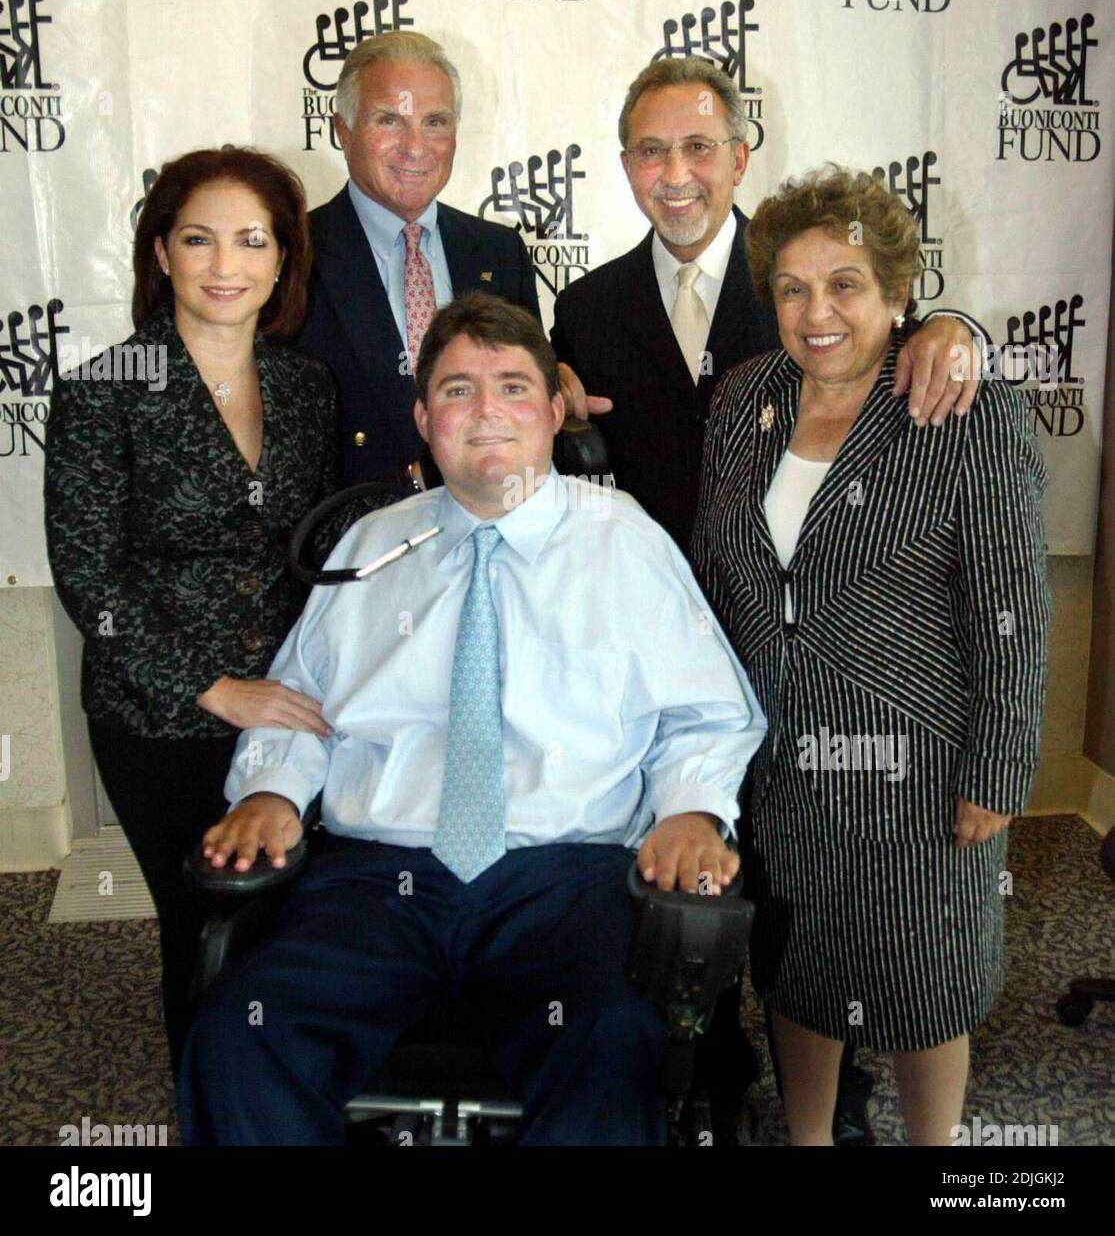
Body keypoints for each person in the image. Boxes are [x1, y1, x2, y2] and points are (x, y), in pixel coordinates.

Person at [176, 293, 766, 1146]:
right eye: (456, 391)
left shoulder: (623, 543)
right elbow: (293, 701)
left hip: (560, 877)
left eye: (513, 387)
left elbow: (707, 715)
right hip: (378, 878)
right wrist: (271, 790)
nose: (485, 411)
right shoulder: (370, 544)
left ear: (555, 410)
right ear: (422, 417)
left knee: (606, 1035)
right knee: (242, 1033)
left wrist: (688, 810)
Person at [691, 166, 1050, 1146]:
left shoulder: (964, 410)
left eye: (844, 284)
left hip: (922, 771)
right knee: (800, 970)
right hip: (778, 763)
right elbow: (716, 579)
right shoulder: (742, 401)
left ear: (897, 293)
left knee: (921, 988)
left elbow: (1012, 610)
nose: (817, 313)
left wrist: (998, 769)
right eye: (794, 288)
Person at [44, 147, 343, 1076]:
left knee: (296, 914)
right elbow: (90, 578)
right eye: (199, 239)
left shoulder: (305, 387)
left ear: (283, 260)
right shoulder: (103, 392)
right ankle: (209, 1100)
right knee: (209, 912)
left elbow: (318, 549)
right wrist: (216, 689)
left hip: (294, 703)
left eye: (252, 241)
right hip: (160, 715)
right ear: (162, 253)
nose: (226, 265)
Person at [551, 57, 982, 551]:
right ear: (627, 167)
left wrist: (955, 327)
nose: (674, 174)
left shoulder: (802, 275)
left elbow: (914, 342)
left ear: (739, 159)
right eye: (652, 151)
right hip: (644, 605)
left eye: (698, 147)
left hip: (788, 606)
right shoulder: (585, 309)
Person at [298, 30, 541, 487]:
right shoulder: (293, 255)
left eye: (435, 122)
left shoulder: (499, 252)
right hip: (350, 542)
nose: (415, 147)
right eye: (389, 120)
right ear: (342, 132)